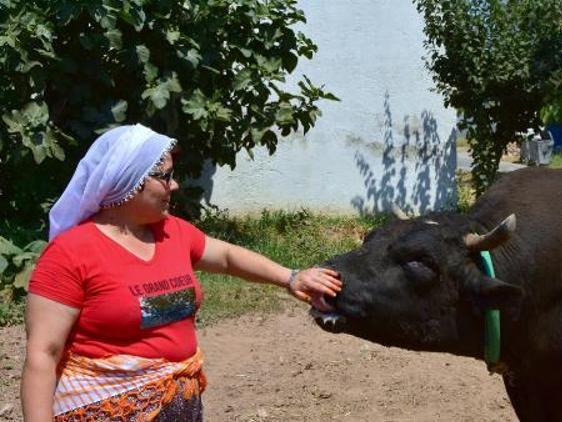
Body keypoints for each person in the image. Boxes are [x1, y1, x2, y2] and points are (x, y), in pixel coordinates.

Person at [21, 124, 342, 421]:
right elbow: (43, 355)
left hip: (181, 404)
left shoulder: (172, 232)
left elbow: (228, 257)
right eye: (164, 176)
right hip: (106, 409)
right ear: (129, 183)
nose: (174, 185)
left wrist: (290, 277)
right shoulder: (71, 253)